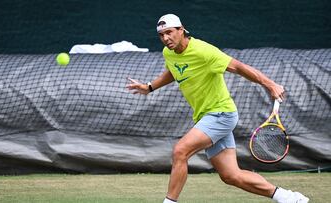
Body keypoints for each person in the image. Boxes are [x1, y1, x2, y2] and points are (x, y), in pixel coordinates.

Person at [126, 14, 309, 203]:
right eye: (162, 35)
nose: (166, 38)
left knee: (180, 151)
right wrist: (149, 87)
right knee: (231, 175)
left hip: (221, 114)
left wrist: (270, 84)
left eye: (169, 32)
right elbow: (174, 70)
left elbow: (238, 67)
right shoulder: (168, 53)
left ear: (181, 30)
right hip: (205, 116)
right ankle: (289, 198)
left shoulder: (204, 51)